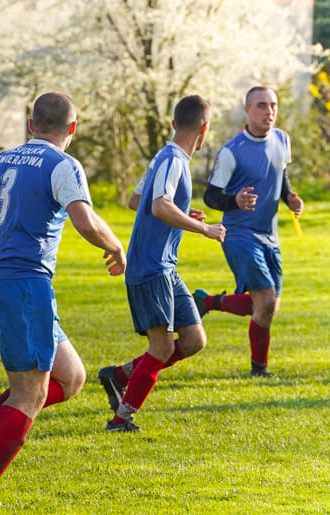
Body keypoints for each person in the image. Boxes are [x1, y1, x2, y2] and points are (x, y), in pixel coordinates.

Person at [0, 92, 126, 507]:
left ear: (30, 124)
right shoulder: (63, 165)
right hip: (26, 286)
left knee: (71, 377)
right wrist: (116, 246)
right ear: (72, 130)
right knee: (30, 394)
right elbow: (84, 220)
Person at [97, 95, 225, 432]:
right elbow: (157, 206)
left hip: (165, 268)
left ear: (173, 123)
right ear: (205, 128)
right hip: (150, 268)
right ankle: (121, 419)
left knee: (194, 339)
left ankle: (119, 375)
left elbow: (135, 200)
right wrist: (204, 228)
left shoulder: (167, 158)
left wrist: (183, 213)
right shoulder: (172, 159)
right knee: (163, 346)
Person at [192, 86, 304, 377]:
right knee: (265, 301)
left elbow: (280, 173)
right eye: (261, 106)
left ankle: (208, 301)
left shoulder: (282, 139)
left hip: (270, 236)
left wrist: (289, 197)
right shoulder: (233, 151)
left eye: (273, 105)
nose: (269, 112)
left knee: (268, 308)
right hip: (239, 234)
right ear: (247, 110)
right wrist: (235, 201)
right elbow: (211, 196)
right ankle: (259, 370)